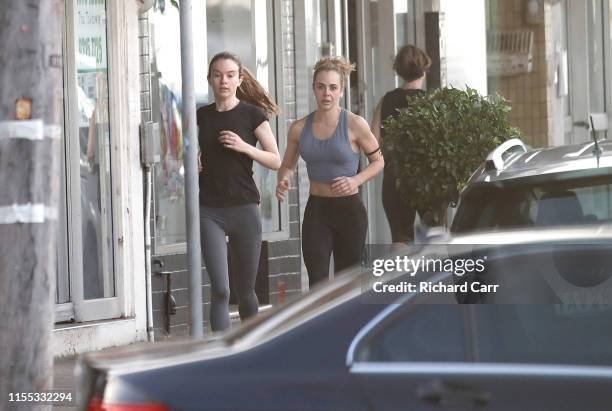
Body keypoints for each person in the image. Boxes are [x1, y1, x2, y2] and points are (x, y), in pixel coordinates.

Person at [276, 57, 384, 287]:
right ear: (314, 88)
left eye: (333, 88)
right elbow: (287, 165)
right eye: (321, 87)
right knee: (318, 282)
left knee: (349, 282)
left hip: (349, 212)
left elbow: (378, 161)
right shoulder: (298, 128)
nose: (327, 93)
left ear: (341, 91)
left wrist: (356, 180)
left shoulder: (355, 124)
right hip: (317, 211)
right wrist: (284, 178)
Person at [197, 52, 281, 332]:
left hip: (244, 207)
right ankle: (221, 356)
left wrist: (245, 146)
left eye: (230, 75)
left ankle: (250, 350)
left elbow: (275, 159)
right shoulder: (200, 116)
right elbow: (180, 154)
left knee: (245, 293)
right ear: (209, 79)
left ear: (239, 79)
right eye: (218, 74)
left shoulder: (252, 114)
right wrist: (191, 159)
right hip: (209, 209)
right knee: (220, 289)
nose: (224, 80)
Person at [371, 45, 431, 244]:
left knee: (401, 238)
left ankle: (402, 276)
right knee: (434, 237)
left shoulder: (386, 101)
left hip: (394, 179)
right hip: (428, 180)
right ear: (424, 69)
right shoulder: (432, 103)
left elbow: (373, 143)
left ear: (398, 70)